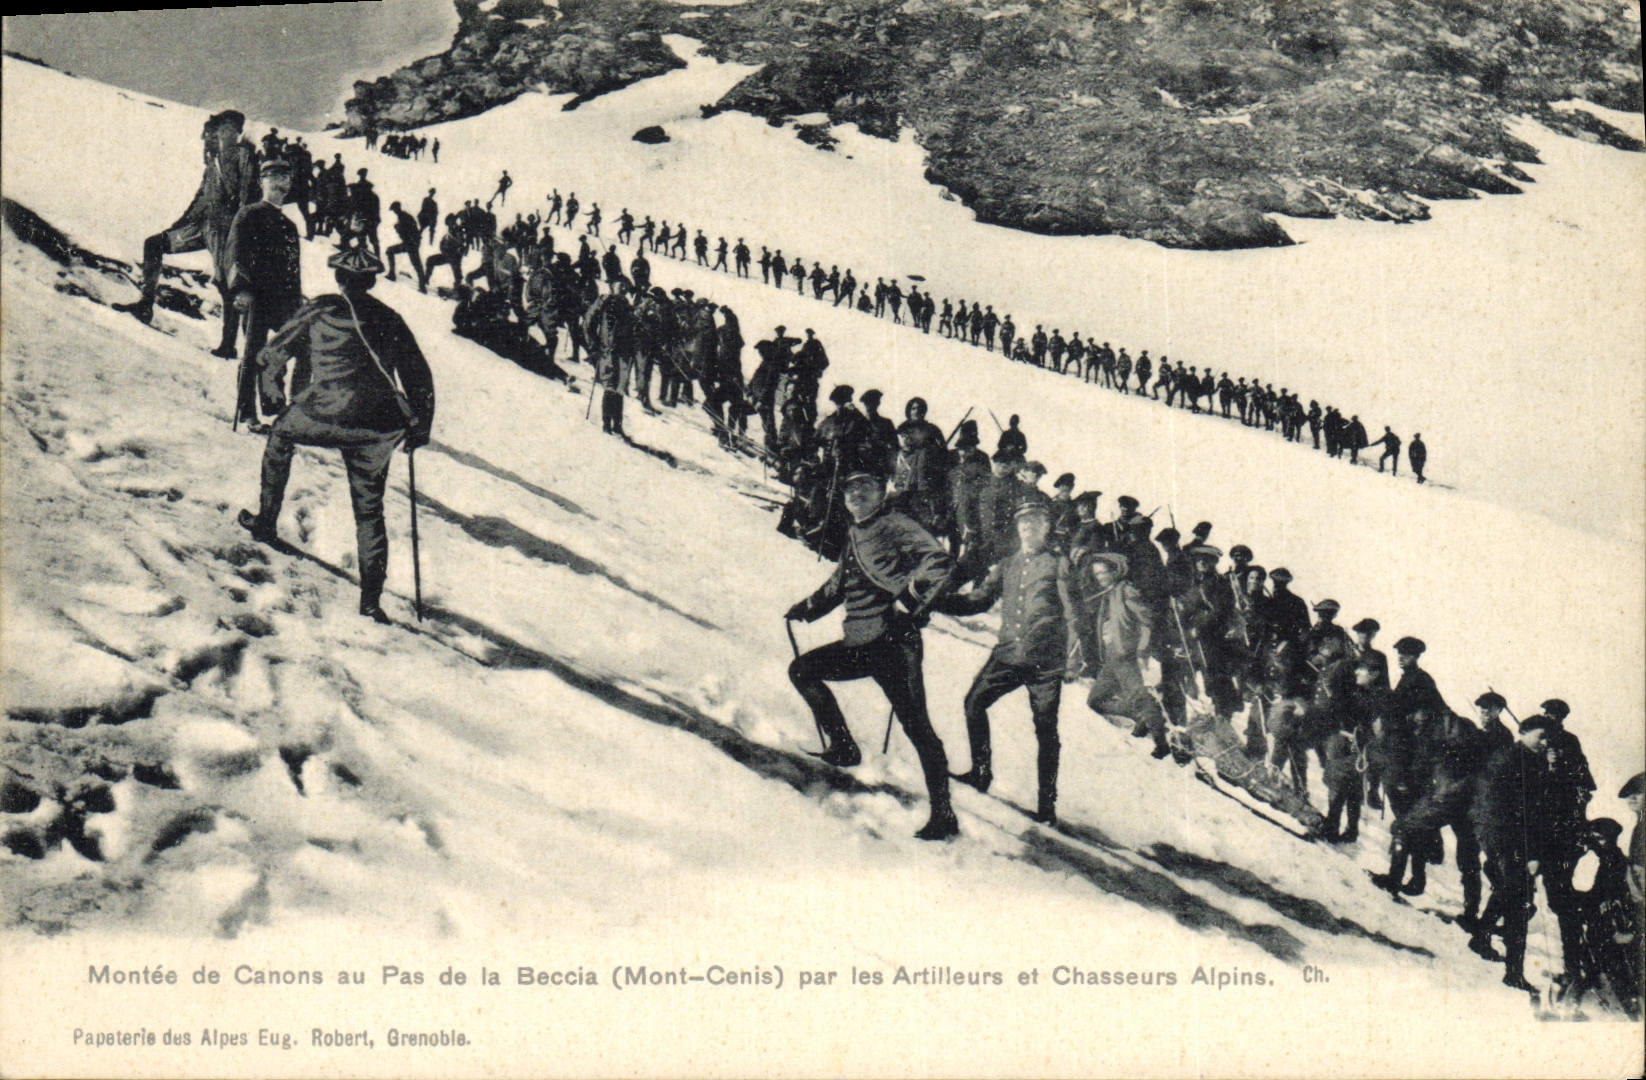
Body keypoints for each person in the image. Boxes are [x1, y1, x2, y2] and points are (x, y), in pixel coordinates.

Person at [238, 244, 435, 623]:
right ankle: (371, 599)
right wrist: (420, 426)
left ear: (339, 277)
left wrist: (272, 391)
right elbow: (418, 375)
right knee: (370, 508)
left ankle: (266, 521)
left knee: (279, 436)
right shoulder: (390, 318)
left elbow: (272, 353)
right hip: (378, 425)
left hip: (323, 413)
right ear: (372, 280)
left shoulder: (320, 310)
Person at [785, 471, 959, 841]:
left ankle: (944, 815)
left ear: (882, 493)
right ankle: (845, 747)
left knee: (918, 728)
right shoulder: (854, 532)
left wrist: (906, 601)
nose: (857, 493)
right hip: (860, 643)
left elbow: (939, 562)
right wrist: (807, 607)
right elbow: (839, 583)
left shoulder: (896, 524)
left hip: (895, 643)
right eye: (851, 488)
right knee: (802, 671)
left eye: (867, 487)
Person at [936, 502, 1077, 823]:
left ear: (1046, 528)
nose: (1029, 527)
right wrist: (939, 603)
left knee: (1046, 730)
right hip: (1009, 654)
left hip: (1045, 663)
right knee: (974, 703)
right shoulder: (1008, 565)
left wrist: (1072, 660)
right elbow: (979, 600)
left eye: (1036, 522)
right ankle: (981, 773)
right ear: (1018, 529)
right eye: (1024, 522)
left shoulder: (1059, 565)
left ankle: (1046, 806)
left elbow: (1073, 615)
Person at [115, 110, 261, 358]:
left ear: (236, 132)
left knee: (227, 284)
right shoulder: (213, 162)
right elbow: (200, 198)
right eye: (221, 130)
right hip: (200, 226)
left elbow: (248, 195)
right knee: (154, 244)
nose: (222, 134)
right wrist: (178, 225)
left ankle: (229, 345)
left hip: (226, 229)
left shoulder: (243, 155)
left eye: (228, 130)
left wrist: (241, 229)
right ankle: (145, 305)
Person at [1469, 715, 1554, 992]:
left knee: (1509, 892)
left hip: (1520, 844)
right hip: (1508, 842)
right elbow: (1494, 807)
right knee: (1518, 902)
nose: (1544, 742)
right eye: (1540, 736)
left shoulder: (1535, 762)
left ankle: (1481, 936)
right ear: (1524, 732)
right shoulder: (1507, 761)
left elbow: (1537, 812)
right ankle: (1513, 972)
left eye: (1547, 738)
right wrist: (1517, 851)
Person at [224, 158, 303, 432]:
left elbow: (293, 270)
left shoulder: (290, 226)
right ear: (261, 182)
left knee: (301, 347)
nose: (281, 183)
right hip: (257, 298)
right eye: (273, 177)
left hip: (284, 302)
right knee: (252, 354)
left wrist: (298, 303)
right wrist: (242, 289)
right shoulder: (249, 214)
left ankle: (287, 408)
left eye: (286, 178)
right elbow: (235, 254)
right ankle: (248, 415)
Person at [1082, 552, 1171, 759]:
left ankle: (1161, 742)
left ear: (1115, 571)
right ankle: (1144, 717)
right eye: (1097, 574)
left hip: (1125, 655)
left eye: (1103, 572)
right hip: (1112, 657)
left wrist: (1142, 649)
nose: (1100, 577)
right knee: (1095, 700)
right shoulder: (1110, 593)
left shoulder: (1126, 591)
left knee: (1139, 697)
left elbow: (1147, 620)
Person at [384, 201, 428, 293]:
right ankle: (392, 274)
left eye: (395, 210)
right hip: (409, 243)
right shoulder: (403, 216)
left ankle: (423, 287)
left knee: (417, 265)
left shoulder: (404, 217)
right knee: (390, 251)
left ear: (398, 208)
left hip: (411, 244)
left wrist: (398, 228)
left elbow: (408, 232)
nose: (394, 212)